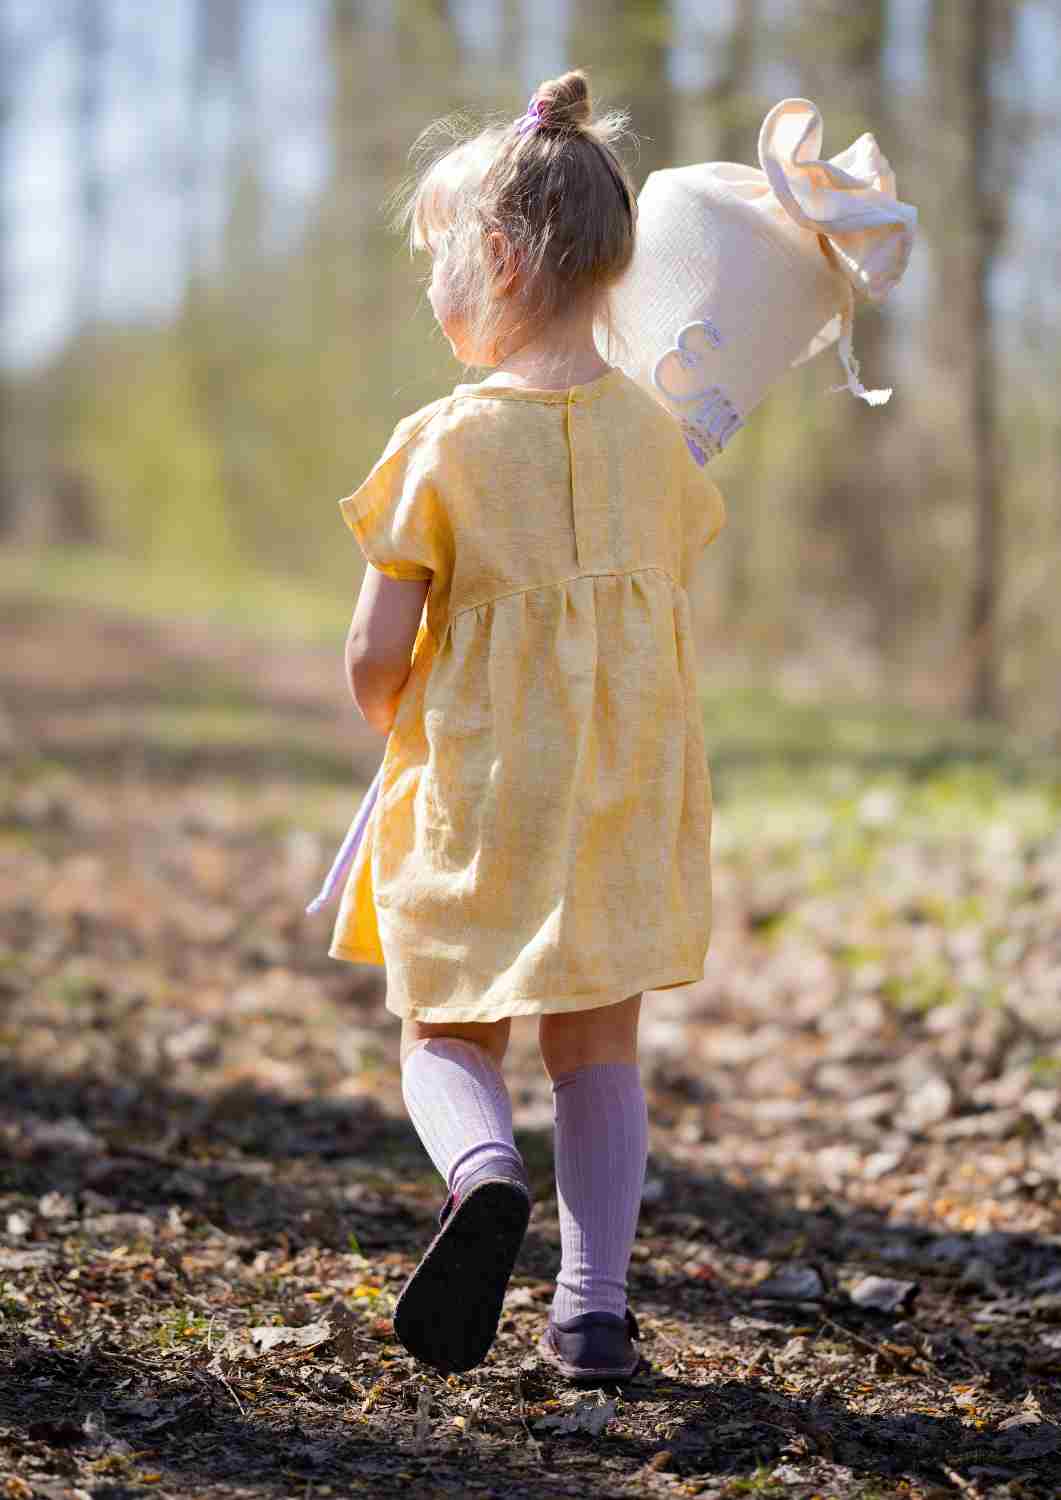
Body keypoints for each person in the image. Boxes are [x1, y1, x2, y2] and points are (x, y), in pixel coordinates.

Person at [328, 69, 726, 1382]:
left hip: (485, 789)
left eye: (439, 259)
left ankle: (482, 1173)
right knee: (597, 1046)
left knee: (444, 1029)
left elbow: (374, 650)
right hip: (619, 789)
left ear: (494, 259)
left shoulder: (438, 444)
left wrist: (400, 720)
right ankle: (592, 1312)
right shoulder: (660, 441)